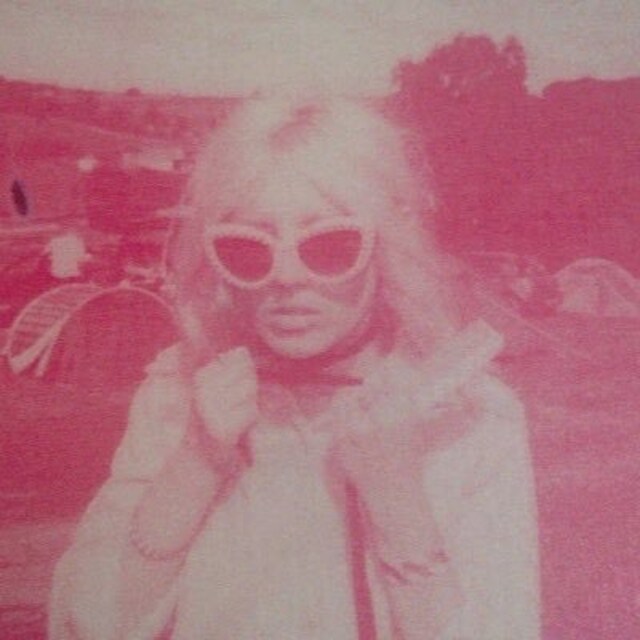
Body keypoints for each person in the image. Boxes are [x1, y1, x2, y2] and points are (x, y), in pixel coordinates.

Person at [49, 96, 540, 639]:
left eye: (329, 244)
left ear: (386, 243)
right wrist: (197, 463)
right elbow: (86, 624)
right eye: (248, 249)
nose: (285, 276)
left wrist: (398, 501)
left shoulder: (469, 414)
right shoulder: (181, 393)